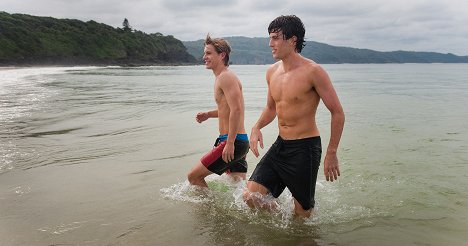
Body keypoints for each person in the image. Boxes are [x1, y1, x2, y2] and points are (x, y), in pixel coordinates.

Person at [243, 15, 345, 217]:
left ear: (293, 40)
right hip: (281, 146)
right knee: (250, 197)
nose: (270, 44)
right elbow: (271, 108)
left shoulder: (313, 71)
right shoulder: (271, 72)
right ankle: (282, 214)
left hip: (305, 149)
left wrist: (331, 152)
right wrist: (256, 127)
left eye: (275, 38)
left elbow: (337, 112)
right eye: (270, 38)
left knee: (303, 215)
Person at [187, 34, 249, 187]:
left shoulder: (226, 77)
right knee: (240, 192)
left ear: (222, 55)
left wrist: (229, 143)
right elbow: (227, 110)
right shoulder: (222, 77)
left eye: (208, 53)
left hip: (233, 141)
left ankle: (209, 211)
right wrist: (208, 114)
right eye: (204, 53)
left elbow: (237, 110)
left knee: (194, 177)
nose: (204, 57)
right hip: (236, 141)